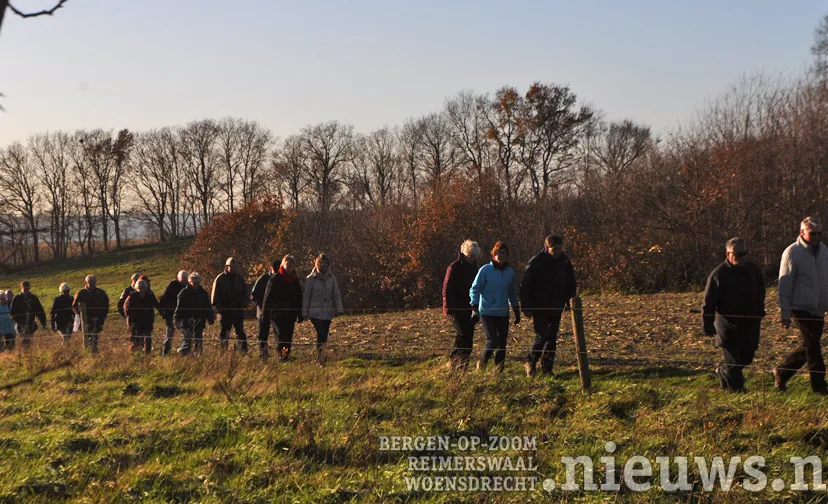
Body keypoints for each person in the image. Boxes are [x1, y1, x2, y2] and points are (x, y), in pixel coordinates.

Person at [701, 237, 765, 392]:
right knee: (734, 360)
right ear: (728, 254)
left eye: (744, 253)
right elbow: (708, 302)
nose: (742, 258)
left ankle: (723, 373)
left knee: (747, 356)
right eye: (738, 254)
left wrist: (759, 311)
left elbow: (761, 291)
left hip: (750, 323)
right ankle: (736, 391)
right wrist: (707, 325)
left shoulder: (753, 270)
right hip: (727, 325)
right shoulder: (718, 274)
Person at [773, 216, 828, 394]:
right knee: (813, 347)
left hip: (819, 307)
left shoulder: (824, 252)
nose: (816, 237)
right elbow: (785, 284)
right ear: (802, 233)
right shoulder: (792, 253)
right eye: (812, 233)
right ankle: (819, 387)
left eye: (819, 233)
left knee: (809, 345)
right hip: (801, 307)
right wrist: (785, 312)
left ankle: (781, 372)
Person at [520, 234, 577, 377]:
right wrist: (526, 306)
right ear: (547, 247)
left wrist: (569, 300)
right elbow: (525, 286)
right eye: (554, 249)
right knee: (542, 335)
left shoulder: (564, 261)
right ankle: (530, 360)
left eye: (559, 249)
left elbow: (570, 282)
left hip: (556, 304)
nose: (557, 252)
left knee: (552, 338)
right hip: (539, 306)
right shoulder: (536, 262)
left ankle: (547, 368)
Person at [470, 241, 520, 373]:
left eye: (503, 253)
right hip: (487, 311)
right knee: (493, 340)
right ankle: (481, 363)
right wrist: (474, 307)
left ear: (507, 255)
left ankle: (498, 370)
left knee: (502, 344)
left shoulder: (510, 272)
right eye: (497, 253)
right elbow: (475, 289)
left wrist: (516, 309)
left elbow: (511, 293)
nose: (500, 255)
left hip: (503, 312)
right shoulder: (485, 270)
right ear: (493, 254)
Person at [442, 240, 481, 371]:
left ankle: (458, 364)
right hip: (457, 309)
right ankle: (458, 363)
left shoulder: (474, 268)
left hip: (469, 308)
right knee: (464, 335)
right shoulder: (454, 267)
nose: (472, 259)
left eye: (474, 257)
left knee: (465, 337)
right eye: (470, 256)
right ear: (464, 254)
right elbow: (447, 289)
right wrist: (449, 309)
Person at [302, 253, 343, 364]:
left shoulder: (332, 278)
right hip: (314, 312)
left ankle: (323, 357)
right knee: (321, 332)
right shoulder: (310, 279)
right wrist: (304, 312)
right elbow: (306, 296)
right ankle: (321, 358)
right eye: (320, 263)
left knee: (324, 335)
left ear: (328, 264)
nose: (323, 265)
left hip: (327, 311)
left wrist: (339, 309)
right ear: (316, 264)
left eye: (325, 263)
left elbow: (336, 294)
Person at [263, 255, 304, 360]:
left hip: (290, 313)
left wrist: (300, 314)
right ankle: (281, 355)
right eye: (287, 264)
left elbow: (298, 297)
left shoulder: (294, 280)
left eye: (291, 265)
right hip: (276, 313)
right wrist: (265, 314)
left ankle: (286, 355)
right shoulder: (275, 279)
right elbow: (267, 298)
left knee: (288, 335)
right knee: (281, 334)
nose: (289, 267)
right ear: (283, 264)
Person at [211, 257, 250, 352]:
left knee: (240, 333)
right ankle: (222, 352)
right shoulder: (220, 278)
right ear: (226, 266)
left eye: (234, 266)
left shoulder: (239, 279)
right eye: (231, 266)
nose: (232, 268)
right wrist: (218, 310)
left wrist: (244, 304)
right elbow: (214, 296)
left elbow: (245, 293)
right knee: (224, 333)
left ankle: (243, 352)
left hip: (237, 311)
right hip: (224, 311)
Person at [174, 272, 215, 356]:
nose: (196, 284)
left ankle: (197, 356)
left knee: (198, 339)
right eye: (194, 282)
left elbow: (207, 306)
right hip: (186, 321)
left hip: (199, 320)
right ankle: (183, 352)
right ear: (189, 282)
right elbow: (179, 308)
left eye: (197, 282)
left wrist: (210, 317)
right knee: (188, 339)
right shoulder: (183, 293)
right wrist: (177, 319)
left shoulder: (203, 293)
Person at [72, 274, 110, 353]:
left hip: (98, 318)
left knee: (95, 336)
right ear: (86, 283)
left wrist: (103, 316)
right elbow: (74, 305)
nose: (92, 284)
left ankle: (94, 351)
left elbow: (106, 305)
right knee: (88, 336)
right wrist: (79, 314)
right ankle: (88, 351)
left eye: (93, 282)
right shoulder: (81, 293)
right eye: (90, 282)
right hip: (85, 319)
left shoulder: (101, 293)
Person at [124, 279, 160, 354]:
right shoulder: (134, 296)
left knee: (145, 339)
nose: (142, 291)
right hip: (138, 322)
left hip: (143, 321)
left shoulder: (134, 296)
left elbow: (126, 309)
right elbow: (126, 309)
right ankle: (137, 354)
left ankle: (144, 354)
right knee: (138, 339)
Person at [158, 270, 189, 356]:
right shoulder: (172, 286)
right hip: (170, 314)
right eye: (182, 278)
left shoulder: (189, 287)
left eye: (186, 279)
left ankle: (184, 352)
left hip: (183, 315)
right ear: (178, 278)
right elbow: (163, 299)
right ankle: (165, 352)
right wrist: (164, 313)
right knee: (169, 335)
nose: (184, 280)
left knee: (186, 335)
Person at [9, 281, 46, 350]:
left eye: (28, 289)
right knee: (24, 338)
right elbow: (12, 312)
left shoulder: (33, 298)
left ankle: (26, 352)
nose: (26, 291)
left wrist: (43, 322)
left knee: (28, 339)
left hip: (31, 322)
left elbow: (40, 310)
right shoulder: (17, 298)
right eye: (25, 289)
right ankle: (23, 352)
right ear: (21, 288)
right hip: (20, 323)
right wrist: (17, 320)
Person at [251, 261, 277, 357]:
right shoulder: (263, 279)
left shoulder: (280, 278)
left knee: (277, 333)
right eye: (275, 268)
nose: (277, 270)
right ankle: (263, 353)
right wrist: (261, 306)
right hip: (263, 311)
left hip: (275, 312)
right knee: (263, 334)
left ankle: (280, 353)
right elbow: (253, 295)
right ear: (271, 268)